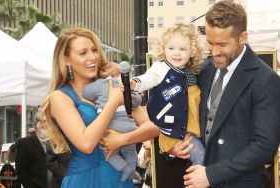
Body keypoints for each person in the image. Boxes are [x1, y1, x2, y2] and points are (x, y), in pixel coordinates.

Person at [41, 27, 158, 188]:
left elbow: (153, 128)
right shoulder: (60, 97)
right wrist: (113, 102)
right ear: (66, 59)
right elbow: (86, 144)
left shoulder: (113, 85)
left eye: (94, 50)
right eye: (83, 53)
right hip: (85, 180)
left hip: (119, 179)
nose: (92, 57)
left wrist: (123, 139)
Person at [183, 1, 280, 188]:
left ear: (242, 37)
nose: (214, 51)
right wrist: (179, 147)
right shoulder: (204, 70)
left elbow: (264, 147)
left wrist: (211, 174)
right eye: (210, 43)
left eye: (222, 44)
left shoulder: (266, 80)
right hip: (197, 179)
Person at [131, 23, 205, 165]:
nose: (176, 53)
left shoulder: (191, 72)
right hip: (175, 133)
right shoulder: (161, 68)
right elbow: (149, 78)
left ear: (192, 52)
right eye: (171, 48)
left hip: (190, 131)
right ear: (163, 49)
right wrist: (135, 83)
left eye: (183, 49)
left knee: (199, 163)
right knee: (201, 161)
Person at [83, 62, 142, 182]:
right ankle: (132, 167)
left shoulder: (101, 83)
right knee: (130, 150)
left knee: (110, 154)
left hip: (111, 125)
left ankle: (125, 168)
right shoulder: (125, 84)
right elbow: (138, 100)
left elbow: (85, 92)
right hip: (128, 124)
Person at [15, 109, 48, 188]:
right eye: (42, 121)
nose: (44, 124)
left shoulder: (56, 142)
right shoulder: (25, 143)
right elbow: (20, 169)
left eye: (47, 121)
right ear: (36, 123)